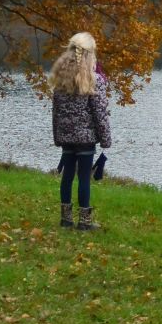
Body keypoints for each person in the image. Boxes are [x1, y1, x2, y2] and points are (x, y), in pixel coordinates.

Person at [50, 32, 111, 230]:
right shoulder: (94, 81)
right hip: (85, 138)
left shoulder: (60, 81)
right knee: (84, 177)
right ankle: (85, 222)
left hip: (67, 137)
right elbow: (100, 113)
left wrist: (57, 137)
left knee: (67, 175)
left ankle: (66, 219)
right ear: (89, 54)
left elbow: (56, 113)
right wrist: (105, 139)